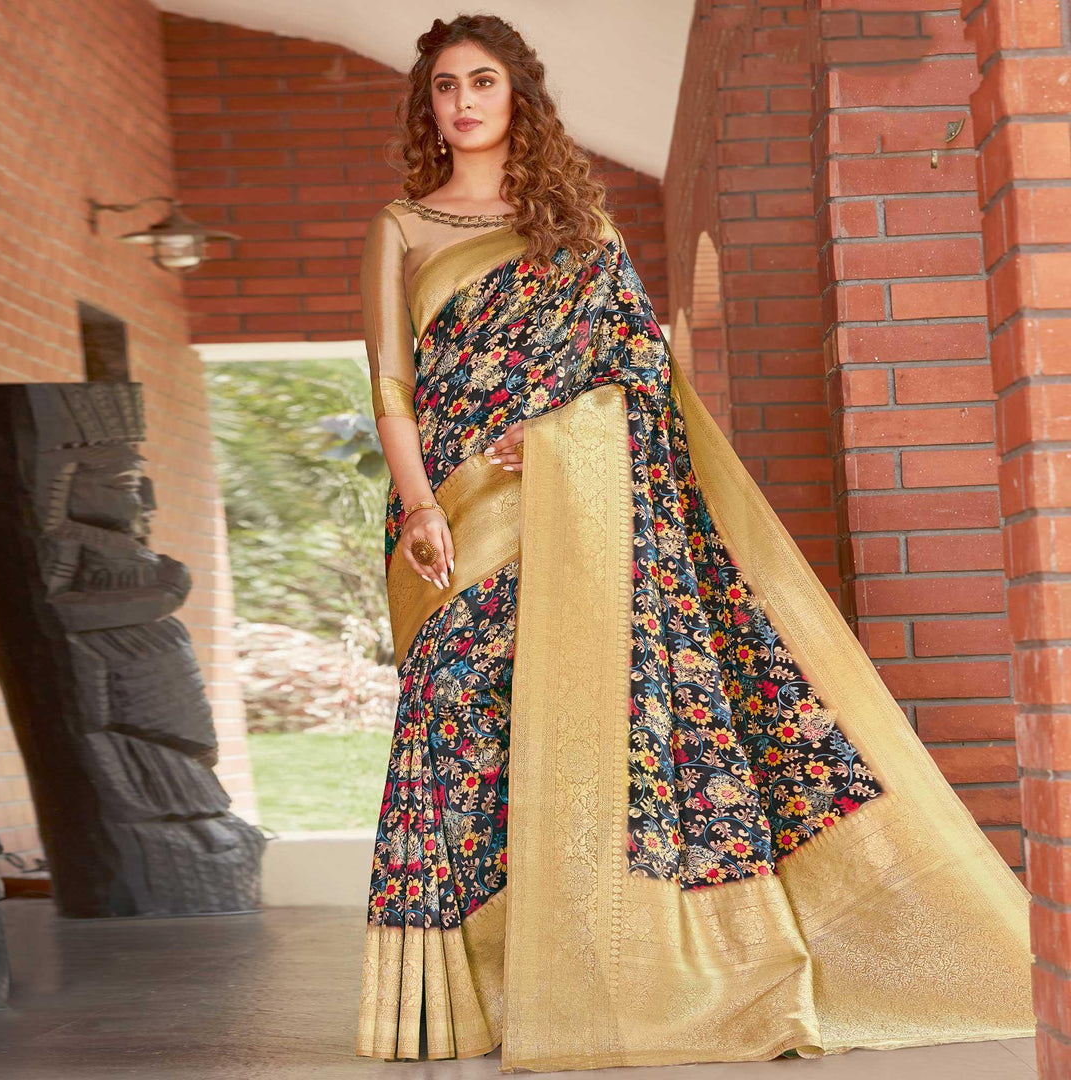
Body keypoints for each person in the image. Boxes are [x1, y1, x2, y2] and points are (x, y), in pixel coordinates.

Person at [354, 13, 1035, 1073]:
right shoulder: (403, 226)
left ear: (518, 95)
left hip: (577, 509)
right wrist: (419, 507)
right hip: (462, 508)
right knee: (455, 722)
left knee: (589, 724)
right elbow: (393, 388)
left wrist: (566, 434)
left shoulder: (580, 227)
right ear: (427, 107)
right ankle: (476, 991)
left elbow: (640, 373)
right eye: (446, 86)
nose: (464, 103)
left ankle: (616, 971)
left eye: (483, 81)